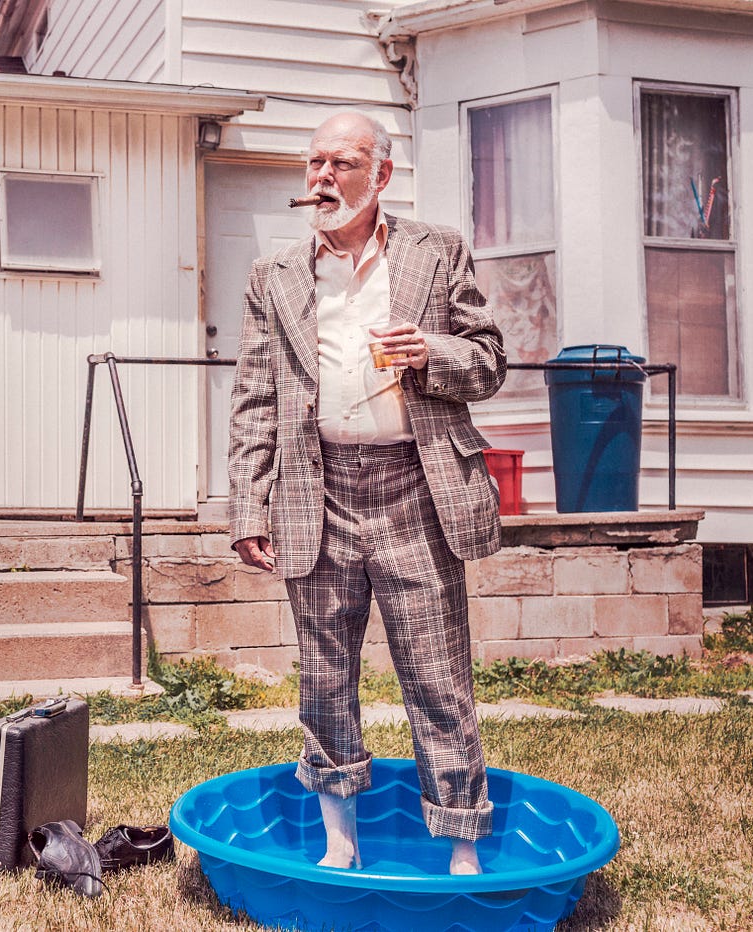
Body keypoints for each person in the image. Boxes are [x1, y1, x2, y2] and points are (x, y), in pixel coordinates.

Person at [227, 111, 505, 875]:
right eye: (313, 163)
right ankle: (339, 841)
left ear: (380, 176)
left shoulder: (435, 252)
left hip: (415, 487)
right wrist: (248, 507)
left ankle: (461, 847)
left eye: (342, 163)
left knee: (439, 675)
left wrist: (433, 352)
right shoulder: (274, 276)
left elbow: (488, 362)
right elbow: (255, 397)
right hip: (315, 492)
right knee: (323, 678)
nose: (323, 177)